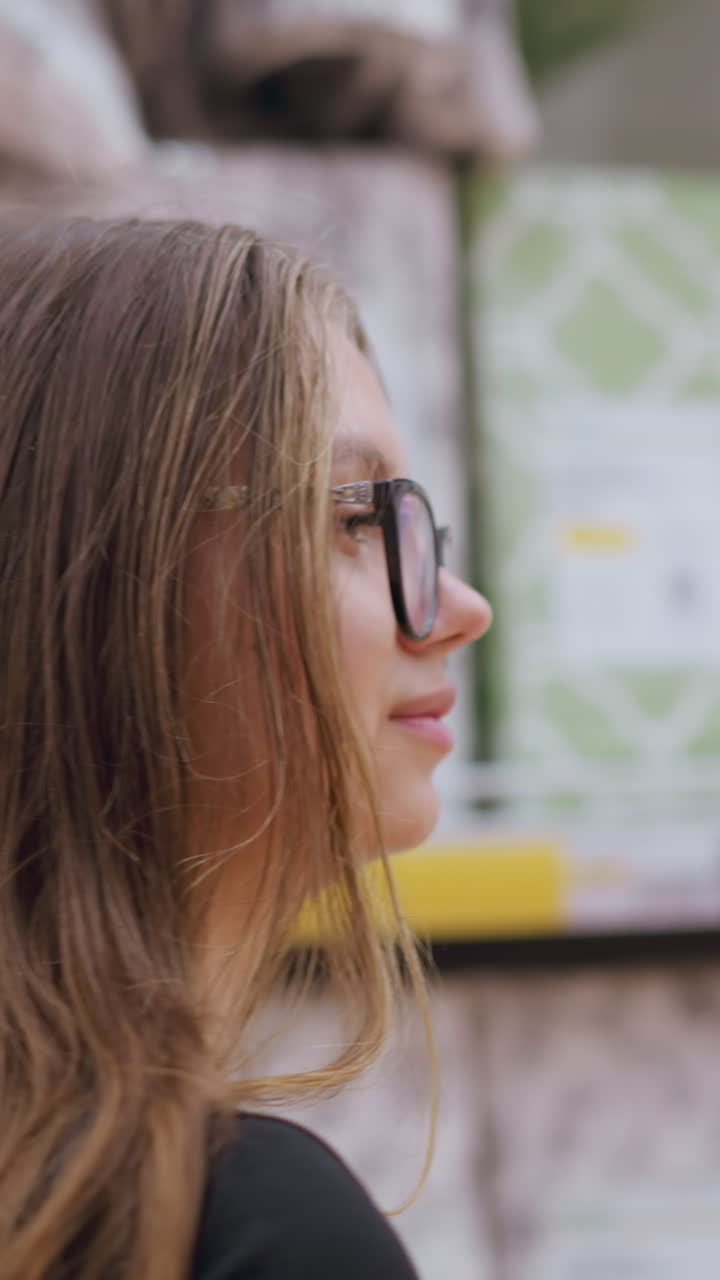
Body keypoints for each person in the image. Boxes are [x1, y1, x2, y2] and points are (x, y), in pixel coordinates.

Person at [0, 215, 491, 1279]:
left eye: (417, 531)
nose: (460, 609)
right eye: (355, 519)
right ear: (102, 589)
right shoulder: (235, 1224)